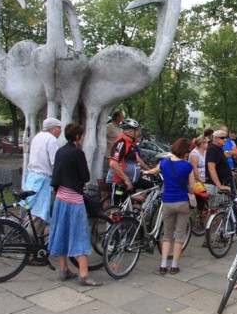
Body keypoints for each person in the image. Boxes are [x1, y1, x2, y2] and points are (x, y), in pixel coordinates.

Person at [48, 123, 102, 286]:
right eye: (82, 136)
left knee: (61, 232)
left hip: (60, 198)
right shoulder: (77, 152)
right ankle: (84, 274)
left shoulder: (60, 151)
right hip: (74, 200)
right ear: (78, 137)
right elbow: (85, 176)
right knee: (80, 235)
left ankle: (64, 269)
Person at [143, 138, 194, 275]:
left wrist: (146, 172)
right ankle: (174, 265)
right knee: (179, 235)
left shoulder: (165, 163)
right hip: (182, 202)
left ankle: (163, 264)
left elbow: (154, 170)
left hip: (167, 202)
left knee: (167, 234)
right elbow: (192, 187)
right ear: (184, 151)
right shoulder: (188, 166)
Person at [24, 117, 62, 239]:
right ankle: (30, 244)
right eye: (59, 128)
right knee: (39, 214)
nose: (60, 131)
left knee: (32, 210)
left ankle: (29, 239)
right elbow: (55, 163)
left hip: (32, 178)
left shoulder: (37, 136)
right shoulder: (51, 140)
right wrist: (60, 181)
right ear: (52, 129)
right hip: (43, 180)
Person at [108, 118, 153, 204]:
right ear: (131, 131)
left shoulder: (132, 144)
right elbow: (113, 164)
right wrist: (126, 180)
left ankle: (135, 200)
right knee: (117, 210)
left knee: (152, 186)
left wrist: (150, 171)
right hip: (121, 182)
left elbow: (138, 160)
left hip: (132, 180)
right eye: (137, 130)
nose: (139, 132)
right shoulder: (122, 143)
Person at [205, 129, 233, 197]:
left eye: (226, 137)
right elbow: (211, 168)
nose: (225, 139)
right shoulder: (213, 149)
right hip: (216, 186)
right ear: (215, 138)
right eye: (222, 138)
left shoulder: (218, 149)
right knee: (218, 207)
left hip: (223, 184)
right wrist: (220, 186)